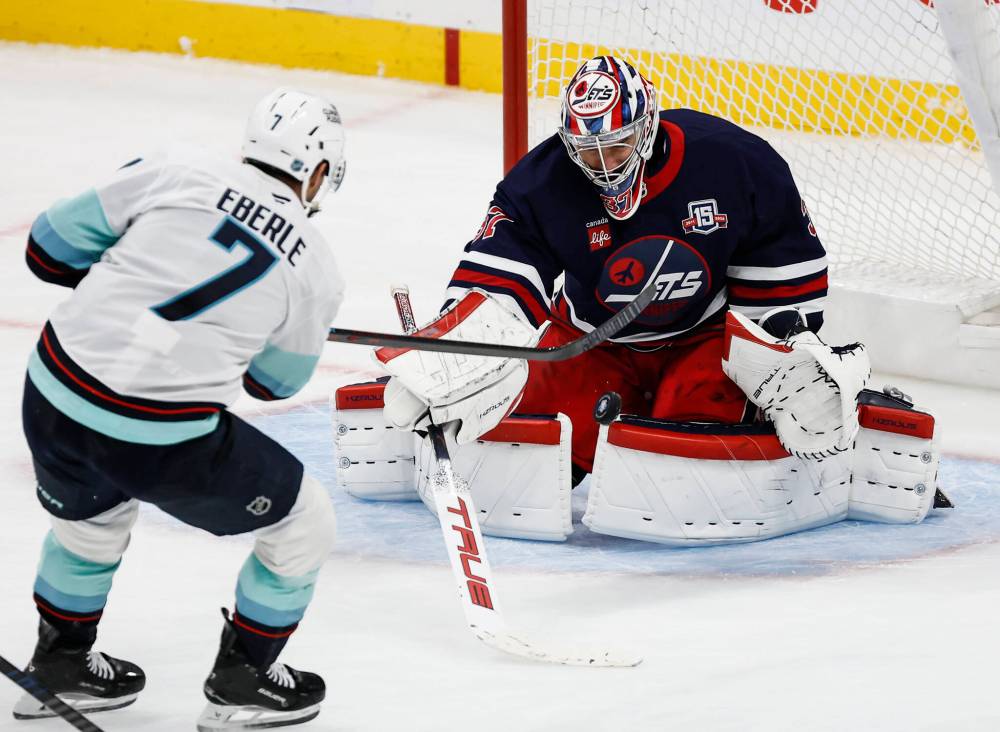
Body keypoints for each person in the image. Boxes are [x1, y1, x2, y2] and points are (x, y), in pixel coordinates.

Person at [358, 56, 940, 545]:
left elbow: (784, 275)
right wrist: (449, 362)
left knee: (692, 437)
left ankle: (845, 410)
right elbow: (498, 284)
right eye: (589, 153)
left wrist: (783, 358)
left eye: (619, 146)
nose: (604, 166)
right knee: (526, 438)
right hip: (589, 344)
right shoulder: (541, 182)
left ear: (649, 124)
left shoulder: (734, 163)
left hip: (702, 341)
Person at [16, 88, 345, 730]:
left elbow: (45, 249)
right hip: (158, 439)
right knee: (305, 525)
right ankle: (245, 680)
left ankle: (60, 666)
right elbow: (272, 387)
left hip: (52, 390)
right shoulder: (317, 266)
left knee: (90, 523)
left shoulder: (175, 167)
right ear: (321, 173)